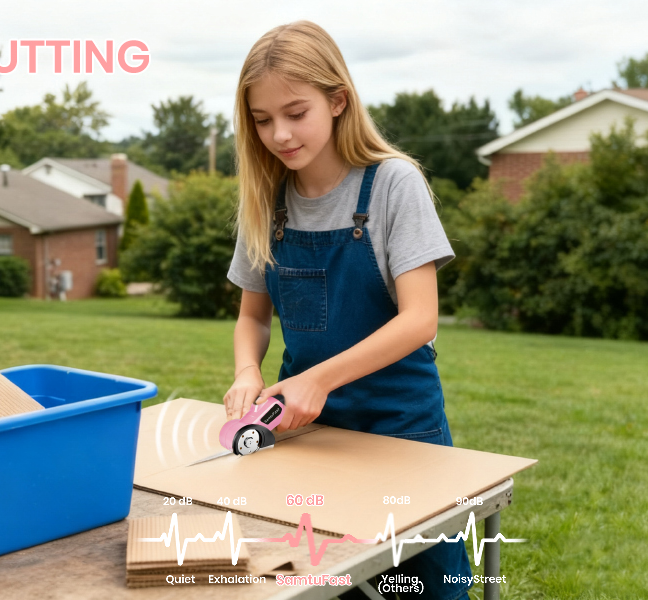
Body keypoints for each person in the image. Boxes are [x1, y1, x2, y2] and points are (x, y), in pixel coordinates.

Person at [222, 20, 473, 600]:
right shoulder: (266, 201)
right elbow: (253, 317)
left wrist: (318, 379)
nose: (280, 134)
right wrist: (246, 371)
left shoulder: (393, 185)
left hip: (402, 430)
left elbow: (420, 320)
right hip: (308, 433)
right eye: (262, 120)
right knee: (318, 583)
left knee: (433, 589)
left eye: (295, 112)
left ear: (338, 101)